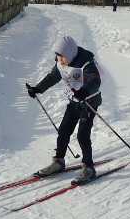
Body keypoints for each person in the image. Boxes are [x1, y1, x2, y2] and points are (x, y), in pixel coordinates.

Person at [26, 35, 102, 184]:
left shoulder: (86, 62)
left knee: (82, 135)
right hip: (74, 102)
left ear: (70, 54)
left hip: (88, 103)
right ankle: (58, 162)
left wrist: (84, 92)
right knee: (63, 131)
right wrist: (38, 89)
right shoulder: (61, 63)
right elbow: (52, 77)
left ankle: (89, 168)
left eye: (62, 57)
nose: (60, 61)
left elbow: (95, 80)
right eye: (58, 57)